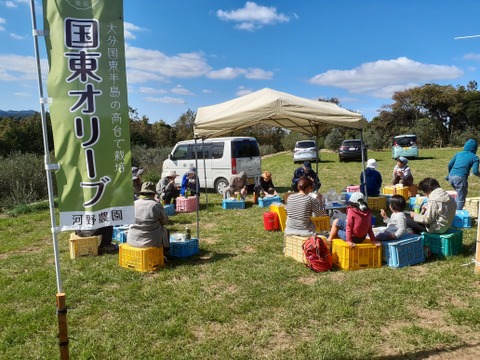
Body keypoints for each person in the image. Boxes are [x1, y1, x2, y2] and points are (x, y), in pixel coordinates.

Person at [127, 182, 170, 251]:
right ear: (153, 194)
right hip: (151, 241)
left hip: (133, 239)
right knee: (165, 230)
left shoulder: (133, 204)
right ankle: (165, 253)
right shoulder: (156, 205)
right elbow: (165, 221)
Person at [446, 138, 480, 210]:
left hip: (451, 177)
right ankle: (457, 215)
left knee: (462, 192)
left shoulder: (458, 154)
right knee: (461, 199)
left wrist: (449, 174)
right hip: (460, 179)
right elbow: (475, 171)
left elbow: (449, 165)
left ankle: (453, 207)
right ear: (475, 149)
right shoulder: (475, 158)